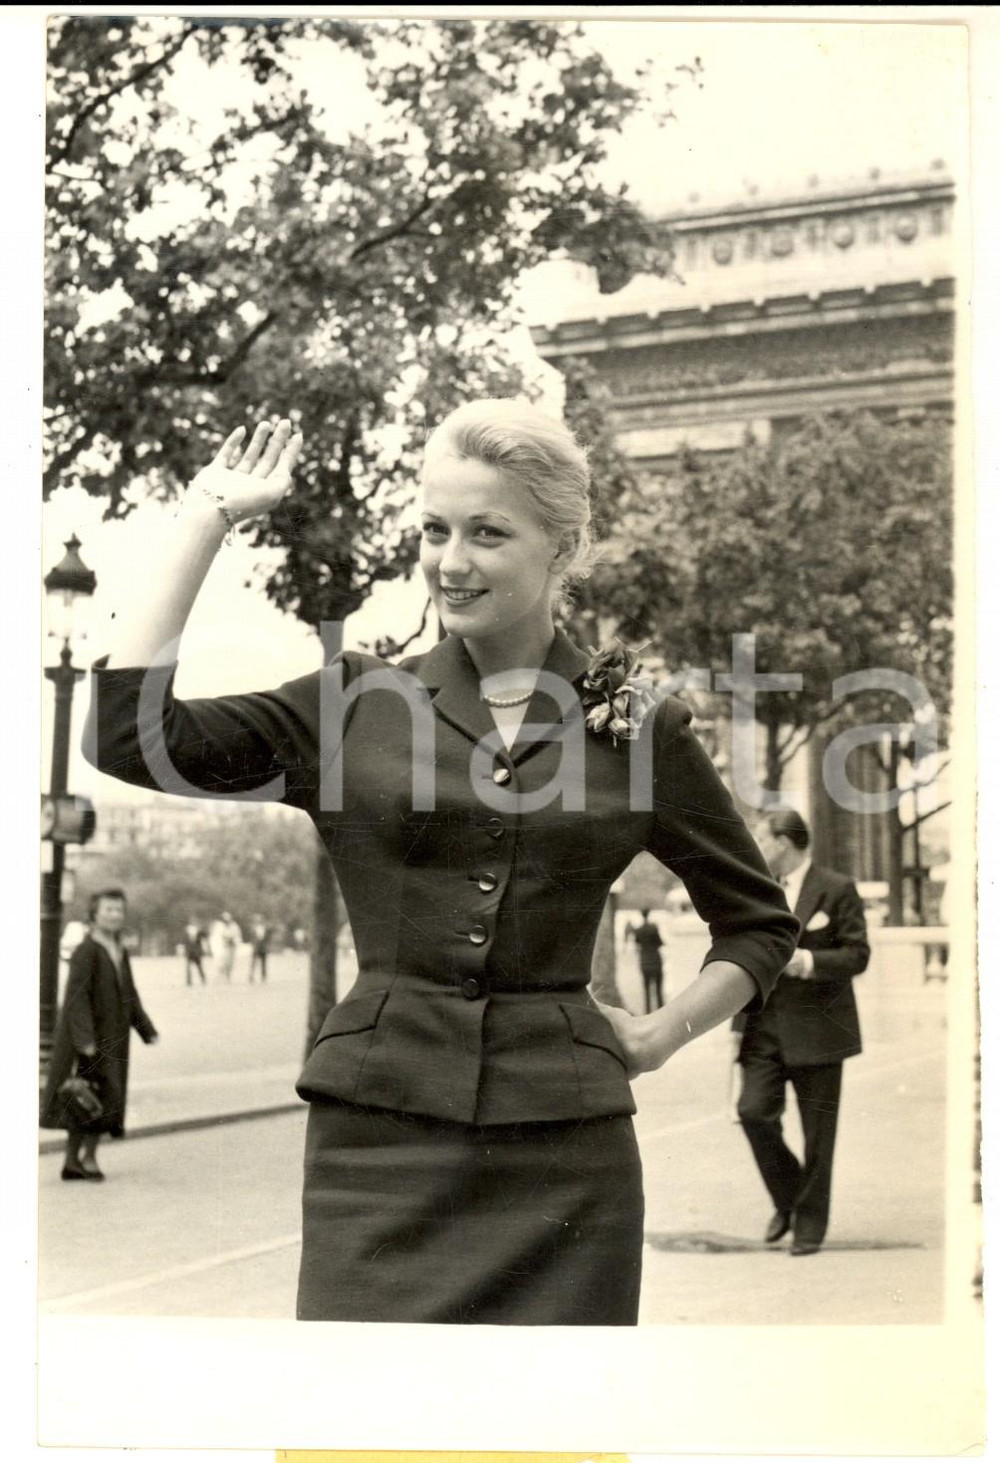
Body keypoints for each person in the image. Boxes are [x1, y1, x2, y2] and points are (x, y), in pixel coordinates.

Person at [83, 403, 798, 1323]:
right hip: (375, 1151)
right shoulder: (354, 702)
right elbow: (129, 738)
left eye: (487, 533)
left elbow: (758, 922)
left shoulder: (639, 725)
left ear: (563, 545)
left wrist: (663, 1034)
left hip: (567, 1162)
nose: (450, 562)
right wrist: (205, 517)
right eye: (434, 530)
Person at [734, 809, 870, 1256]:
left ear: (784, 842)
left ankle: (809, 1224)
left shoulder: (837, 888)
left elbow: (858, 954)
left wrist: (807, 962)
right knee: (753, 1112)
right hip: (762, 1028)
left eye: (762, 839)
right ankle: (789, 1198)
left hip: (819, 1031)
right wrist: (736, 1026)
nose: (757, 848)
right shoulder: (759, 891)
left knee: (818, 1136)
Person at [40, 888, 159, 1180]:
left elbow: (129, 994)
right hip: (90, 1041)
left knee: (93, 1098)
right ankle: (84, 1159)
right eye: (108, 909)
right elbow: (76, 998)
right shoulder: (87, 950)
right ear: (94, 914)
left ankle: (76, 1160)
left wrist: (146, 1029)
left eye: (119, 910)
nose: (115, 915)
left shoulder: (119, 949)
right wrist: (85, 1040)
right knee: (89, 1097)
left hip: (113, 1038)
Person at [627, 908, 666, 1013]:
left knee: (646, 990)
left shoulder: (638, 930)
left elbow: (637, 943)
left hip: (644, 961)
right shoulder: (654, 928)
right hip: (656, 961)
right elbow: (660, 942)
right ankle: (661, 1011)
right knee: (658, 989)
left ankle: (648, 1011)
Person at [182, 916, 209, 986]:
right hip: (190, 952)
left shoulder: (198, 931)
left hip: (196, 952)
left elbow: (205, 935)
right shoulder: (187, 932)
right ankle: (189, 981)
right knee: (190, 967)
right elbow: (185, 942)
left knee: (198, 967)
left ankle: (202, 979)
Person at [217, 911, 240, 982]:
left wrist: (232, 938)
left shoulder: (234, 925)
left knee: (230, 961)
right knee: (224, 960)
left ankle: (228, 975)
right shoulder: (222, 926)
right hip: (225, 945)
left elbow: (236, 935)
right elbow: (221, 934)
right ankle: (223, 973)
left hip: (232, 945)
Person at [248, 917, 271, 983]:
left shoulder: (265, 929)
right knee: (254, 962)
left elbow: (267, 939)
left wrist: (267, 946)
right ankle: (251, 975)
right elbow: (252, 938)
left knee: (263, 962)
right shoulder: (253, 929)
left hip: (263, 947)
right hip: (256, 947)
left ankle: (263, 975)